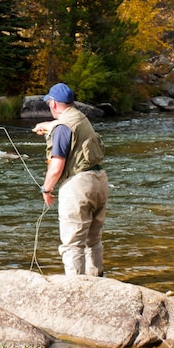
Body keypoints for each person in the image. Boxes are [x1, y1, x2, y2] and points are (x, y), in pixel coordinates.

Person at [32, 82, 109, 276]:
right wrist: (47, 126)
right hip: (99, 181)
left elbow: (57, 167)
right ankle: (97, 280)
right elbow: (67, 127)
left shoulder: (62, 128)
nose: (49, 107)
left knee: (72, 243)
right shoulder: (81, 117)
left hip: (78, 186)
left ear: (55, 104)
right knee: (93, 239)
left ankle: (76, 287)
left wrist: (46, 189)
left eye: (49, 103)